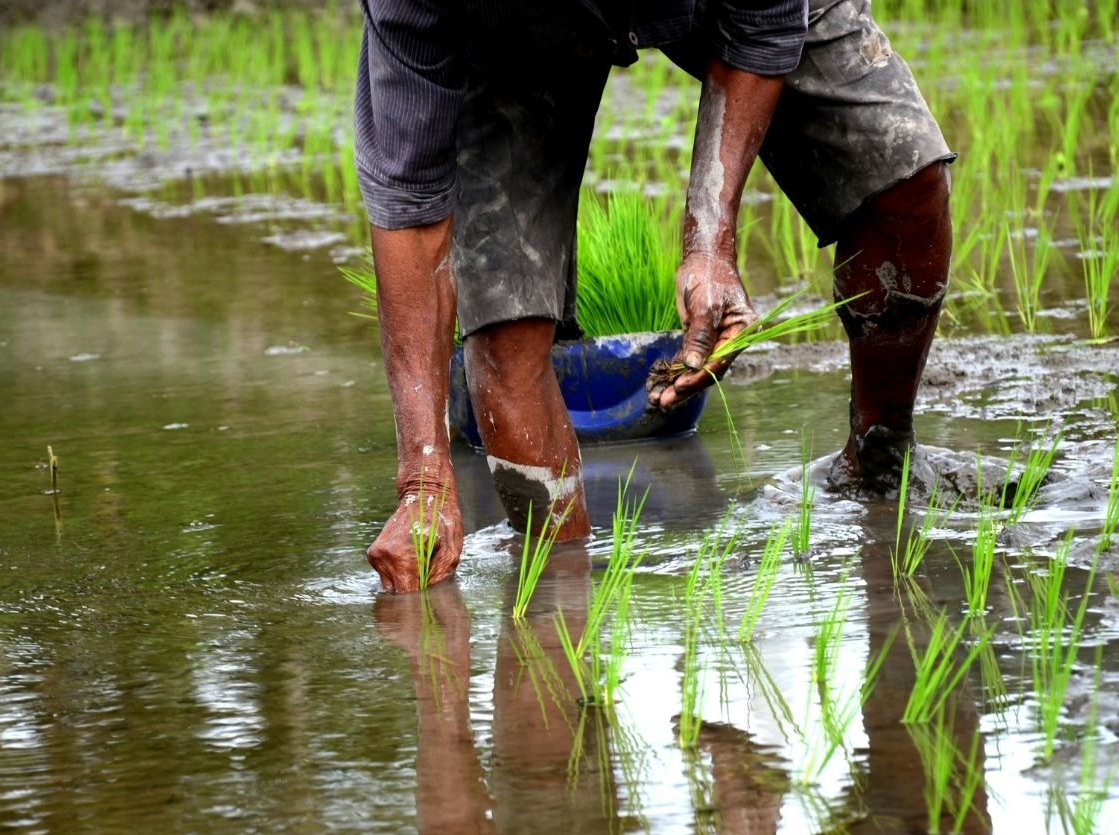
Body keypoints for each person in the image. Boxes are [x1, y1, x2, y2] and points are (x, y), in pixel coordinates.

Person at [355, 0, 954, 593]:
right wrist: (424, 479)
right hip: (508, 42)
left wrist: (710, 244)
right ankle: (559, 595)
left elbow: (766, 20)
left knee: (903, 178)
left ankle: (878, 463)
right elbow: (409, 205)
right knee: (505, 339)